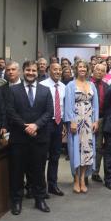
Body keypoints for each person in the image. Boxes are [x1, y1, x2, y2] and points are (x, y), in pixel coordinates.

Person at [7, 60, 53, 215]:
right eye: (28, 70)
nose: (31, 73)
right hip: (19, 138)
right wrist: (26, 126)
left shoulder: (45, 90)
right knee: (17, 171)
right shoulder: (13, 91)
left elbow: (49, 112)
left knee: (39, 171)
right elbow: (11, 112)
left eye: (33, 70)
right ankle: (17, 201)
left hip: (39, 138)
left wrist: (35, 126)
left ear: (37, 72)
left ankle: (40, 199)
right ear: (22, 71)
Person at [64, 60, 99, 194]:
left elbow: (95, 105)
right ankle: (76, 179)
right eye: (80, 67)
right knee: (75, 151)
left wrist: (96, 121)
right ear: (76, 69)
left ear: (88, 69)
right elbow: (68, 104)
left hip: (89, 122)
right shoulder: (71, 85)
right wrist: (71, 121)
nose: (82, 69)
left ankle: (83, 179)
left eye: (85, 67)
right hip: (76, 122)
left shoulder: (92, 85)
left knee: (87, 151)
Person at [40, 63, 66, 196]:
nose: (58, 72)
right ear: (49, 70)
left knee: (55, 155)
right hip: (45, 123)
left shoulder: (63, 87)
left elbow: (65, 106)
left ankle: (53, 184)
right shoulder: (42, 85)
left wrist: (64, 124)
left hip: (58, 123)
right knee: (43, 155)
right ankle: (41, 186)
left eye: (60, 70)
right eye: (55, 69)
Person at [89, 63, 109, 183]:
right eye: (98, 70)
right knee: (87, 147)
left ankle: (95, 172)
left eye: (102, 71)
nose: (100, 72)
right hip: (87, 119)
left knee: (99, 147)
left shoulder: (106, 86)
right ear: (93, 69)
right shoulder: (86, 83)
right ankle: (85, 173)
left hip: (102, 119)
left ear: (105, 73)